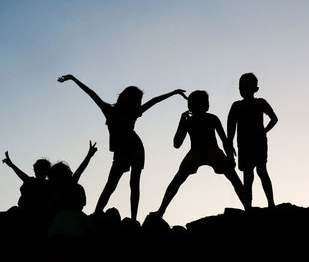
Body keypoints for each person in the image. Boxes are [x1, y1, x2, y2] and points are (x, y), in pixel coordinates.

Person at [57, 74, 186, 221]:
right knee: (112, 183)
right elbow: (91, 93)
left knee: (133, 183)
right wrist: (73, 79)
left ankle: (132, 218)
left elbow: (154, 101)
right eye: (137, 100)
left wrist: (174, 93)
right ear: (129, 99)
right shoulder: (110, 110)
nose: (139, 103)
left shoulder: (130, 112)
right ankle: (98, 212)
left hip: (135, 149)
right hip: (122, 151)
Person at [153, 90, 249, 218]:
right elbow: (177, 144)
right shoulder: (194, 121)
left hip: (210, 151)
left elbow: (224, 140)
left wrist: (230, 157)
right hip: (199, 152)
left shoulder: (211, 118)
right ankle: (161, 211)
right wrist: (182, 123)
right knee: (177, 181)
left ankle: (248, 207)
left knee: (234, 179)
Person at [227, 73, 277, 208]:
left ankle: (268, 203)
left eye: (247, 87)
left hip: (256, 143)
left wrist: (264, 131)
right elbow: (230, 127)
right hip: (246, 144)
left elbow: (274, 119)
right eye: (242, 87)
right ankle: (250, 205)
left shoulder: (259, 103)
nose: (244, 90)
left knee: (258, 172)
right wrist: (229, 144)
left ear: (255, 89)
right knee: (251, 174)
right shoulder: (237, 106)